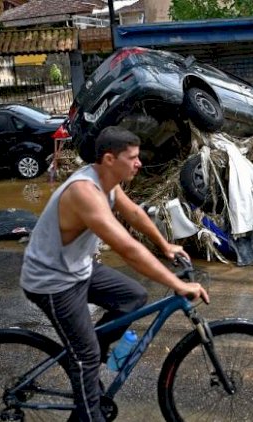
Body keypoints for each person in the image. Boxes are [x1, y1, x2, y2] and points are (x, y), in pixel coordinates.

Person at [20, 126, 209, 421]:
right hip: (51, 281)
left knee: (133, 298)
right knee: (85, 357)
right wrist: (176, 284)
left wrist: (165, 245)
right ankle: (88, 396)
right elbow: (127, 249)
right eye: (132, 157)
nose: (139, 163)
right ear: (109, 159)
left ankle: (91, 355)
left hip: (78, 268)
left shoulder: (108, 183)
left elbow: (133, 213)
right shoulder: (85, 193)